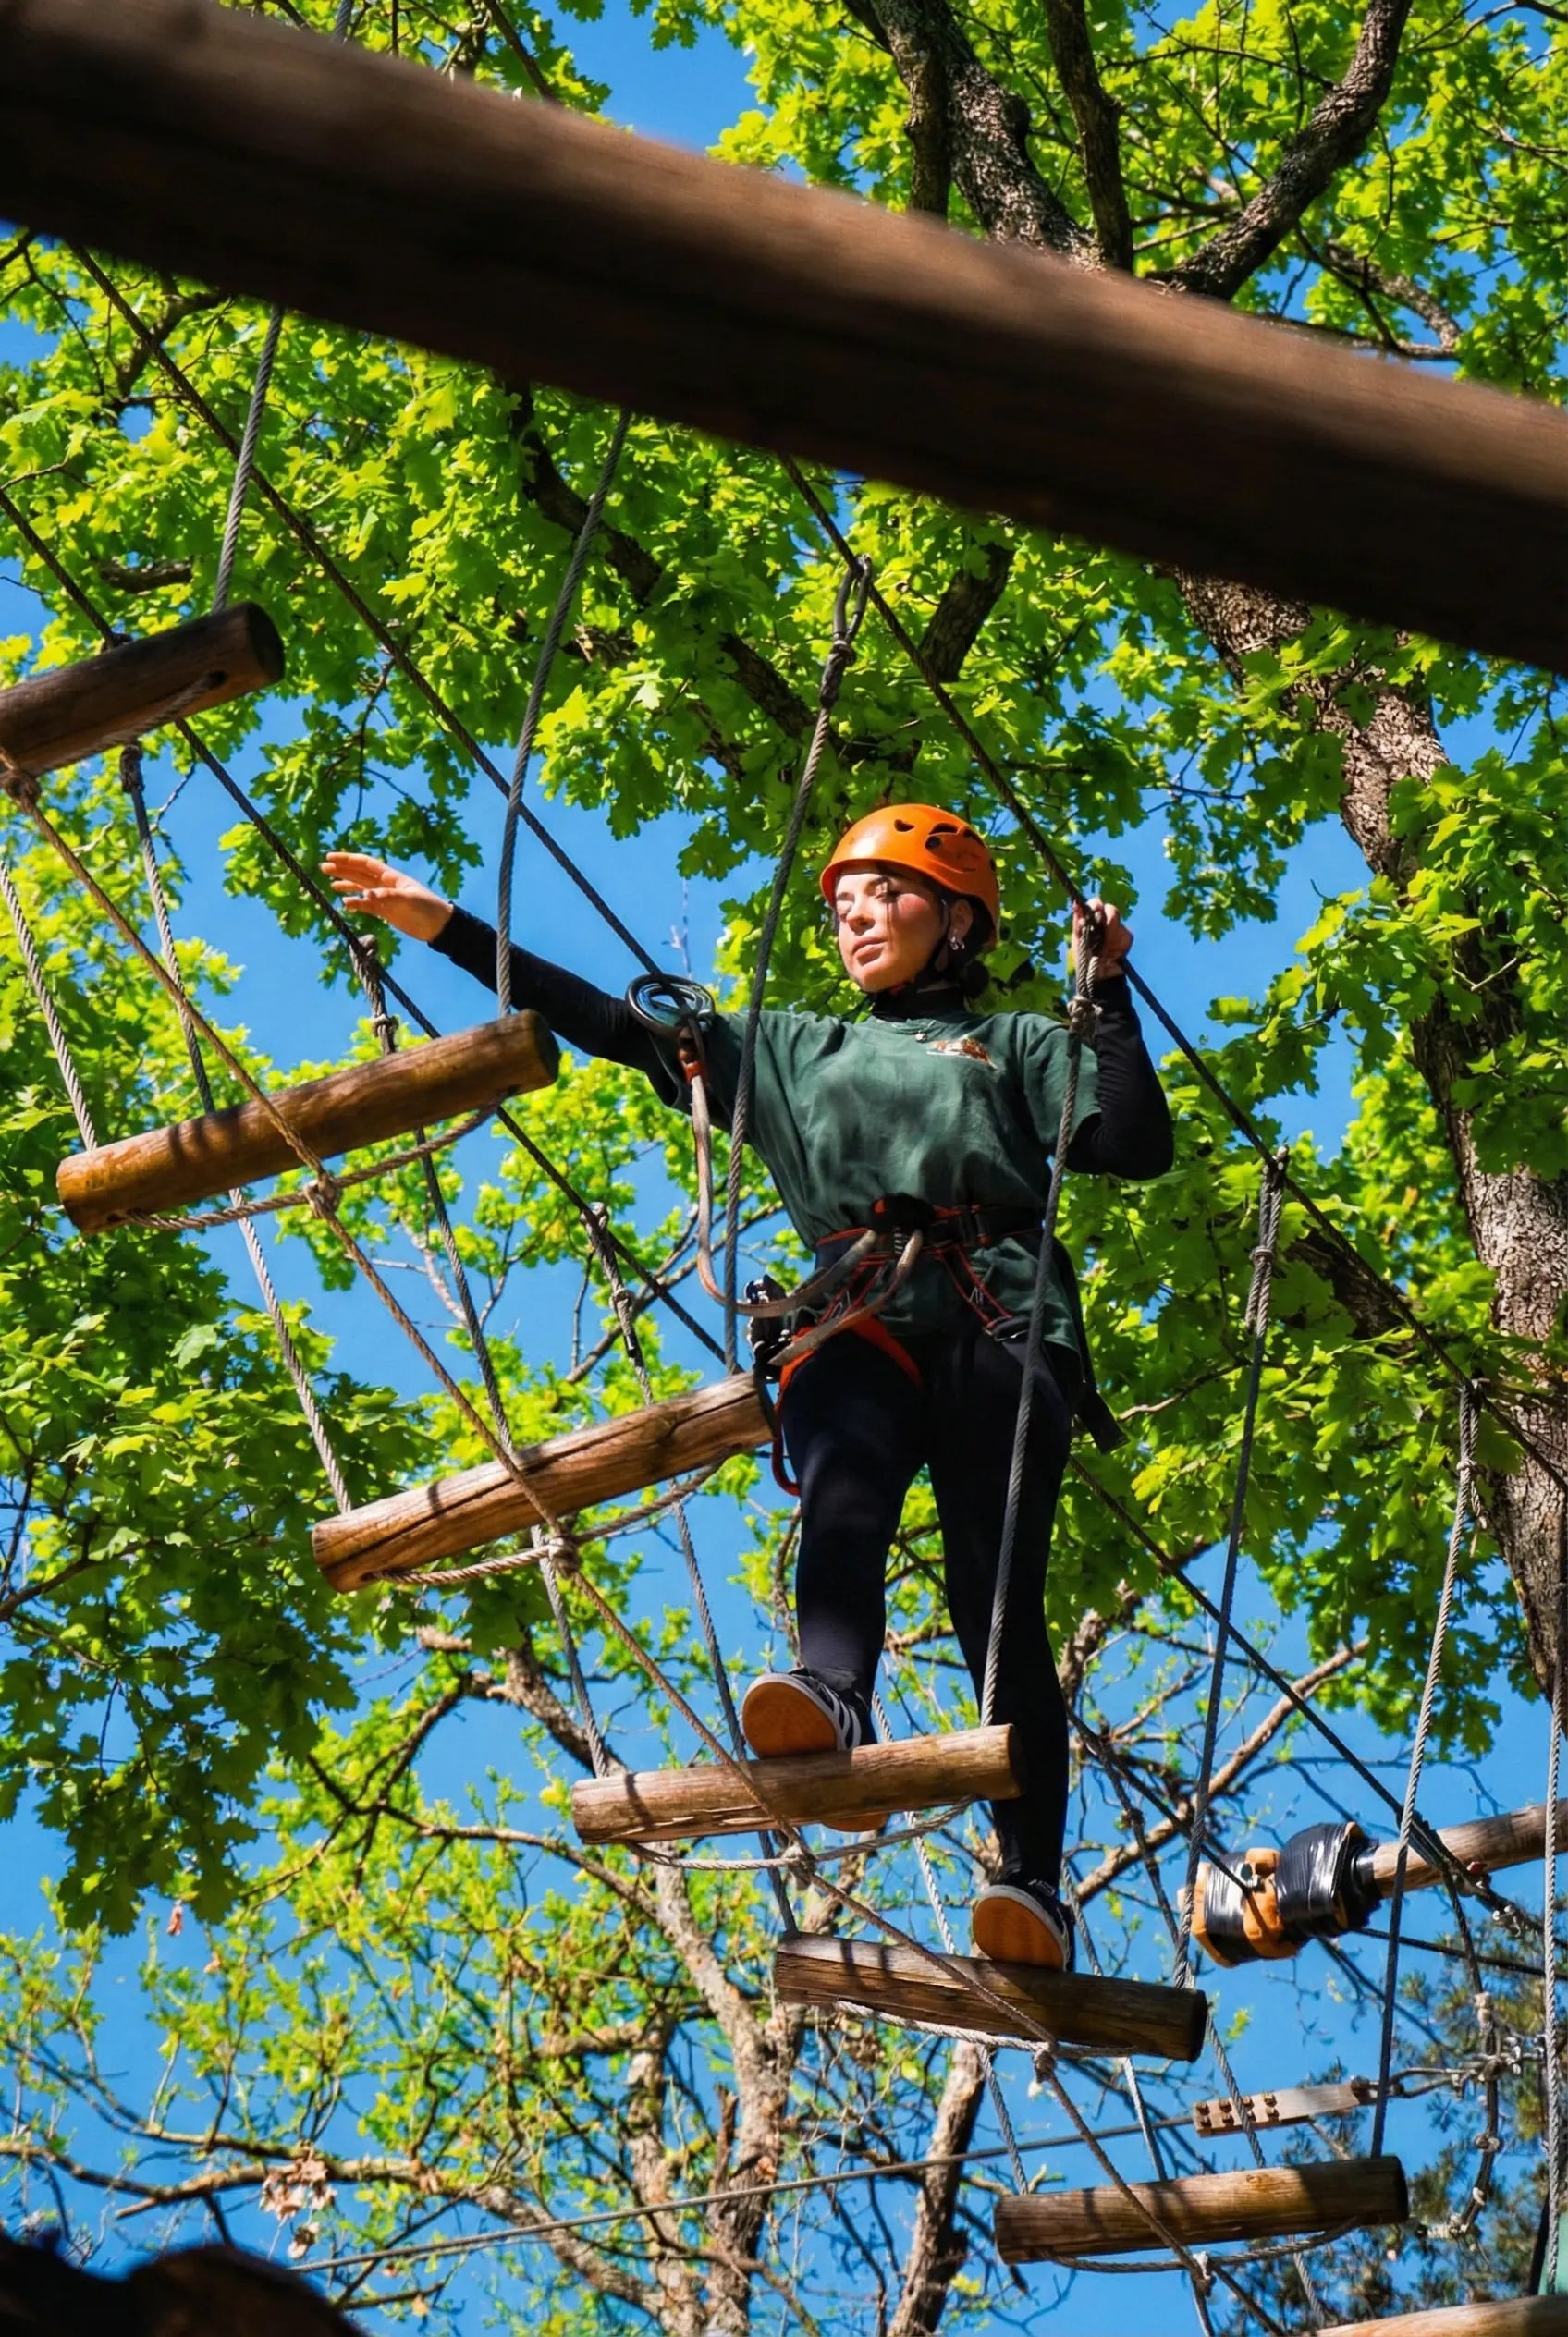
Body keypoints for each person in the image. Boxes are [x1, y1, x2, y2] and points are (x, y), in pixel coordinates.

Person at [324, 805, 1171, 1968]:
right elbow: (618, 1028)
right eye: (839, 904)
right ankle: (831, 1693)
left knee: (995, 1586)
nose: (852, 917)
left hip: (997, 1308)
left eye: (883, 893)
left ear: (959, 917)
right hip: (853, 1308)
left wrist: (1104, 993)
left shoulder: (1014, 1042)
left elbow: (1128, 1138)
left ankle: (1029, 1878)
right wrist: (447, 926)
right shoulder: (787, 1044)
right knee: (843, 1489)